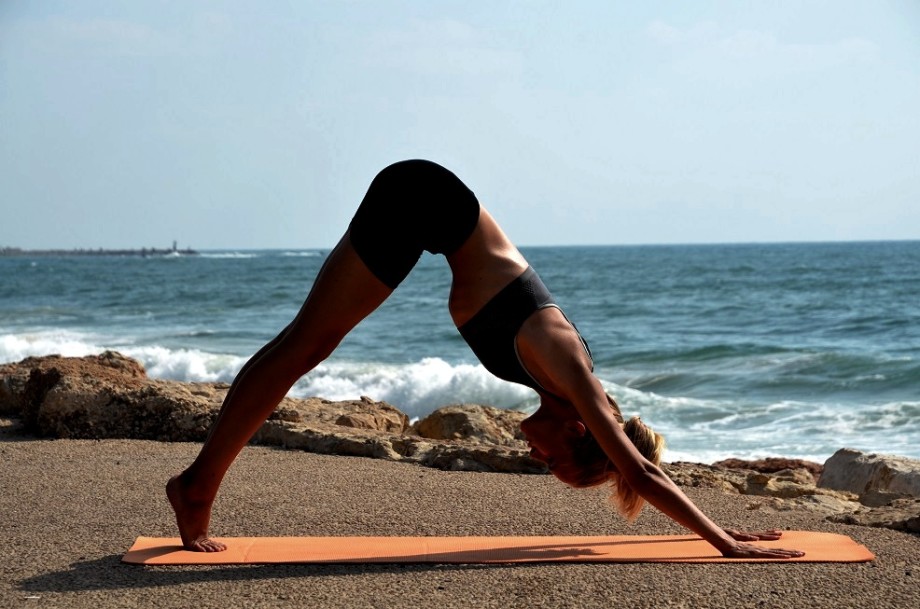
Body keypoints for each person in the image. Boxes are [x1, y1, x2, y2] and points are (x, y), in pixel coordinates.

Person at [167, 159, 804, 559]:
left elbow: (633, 471)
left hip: (424, 209)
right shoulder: (570, 368)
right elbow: (638, 471)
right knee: (306, 343)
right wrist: (725, 540)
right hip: (426, 199)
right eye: (552, 458)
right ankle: (198, 486)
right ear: (580, 431)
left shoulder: (557, 384)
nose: (534, 455)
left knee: (303, 342)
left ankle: (199, 482)